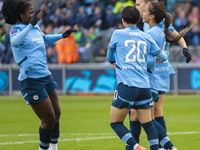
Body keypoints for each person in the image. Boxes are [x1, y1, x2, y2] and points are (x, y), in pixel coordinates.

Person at [1, 0, 77, 150]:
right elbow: (15, 42)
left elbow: (43, 38)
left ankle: (54, 147)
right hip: (31, 80)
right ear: (21, 15)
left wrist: (62, 35)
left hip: (45, 76)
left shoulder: (34, 27)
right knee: (48, 118)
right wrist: (30, 26)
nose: (34, 16)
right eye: (31, 13)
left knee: (56, 113)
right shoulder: (16, 29)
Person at [126, 1, 194, 150]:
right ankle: (160, 146)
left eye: (138, 4)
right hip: (162, 71)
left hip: (153, 72)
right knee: (150, 112)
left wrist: (185, 48)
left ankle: (164, 146)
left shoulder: (154, 26)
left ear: (148, 6)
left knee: (144, 114)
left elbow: (174, 37)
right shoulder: (152, 23)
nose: (136, 7)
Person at [107, 6, 169, 150]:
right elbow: (164, 56)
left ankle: (136, 147)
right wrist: (152, 59)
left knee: (115, 123)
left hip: (127, 85)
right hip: (145, 86)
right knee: (148, 123)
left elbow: (109, 56)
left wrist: (116, 60)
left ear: (123, 20)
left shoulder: (117, 33)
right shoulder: (145, 35)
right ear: (138, 20)